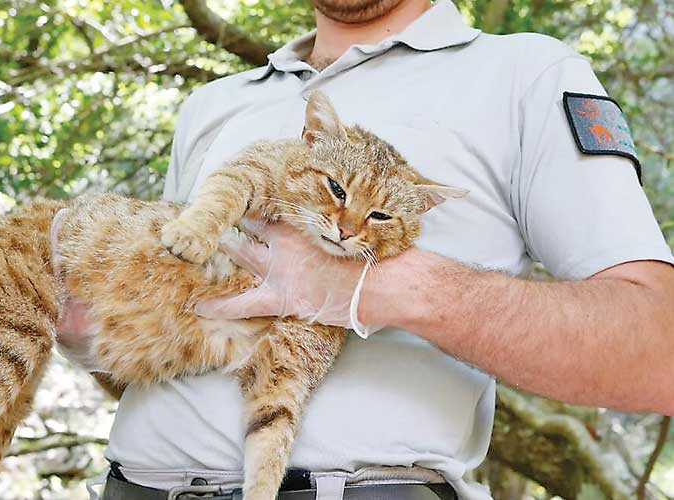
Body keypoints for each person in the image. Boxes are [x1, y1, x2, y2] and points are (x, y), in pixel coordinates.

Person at [57, 0, 674, 498]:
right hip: (131, 485)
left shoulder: (526, 74)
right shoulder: (213, 103)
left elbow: (658, 348)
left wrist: (372, 288)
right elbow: (173, 345)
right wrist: (90, 332)